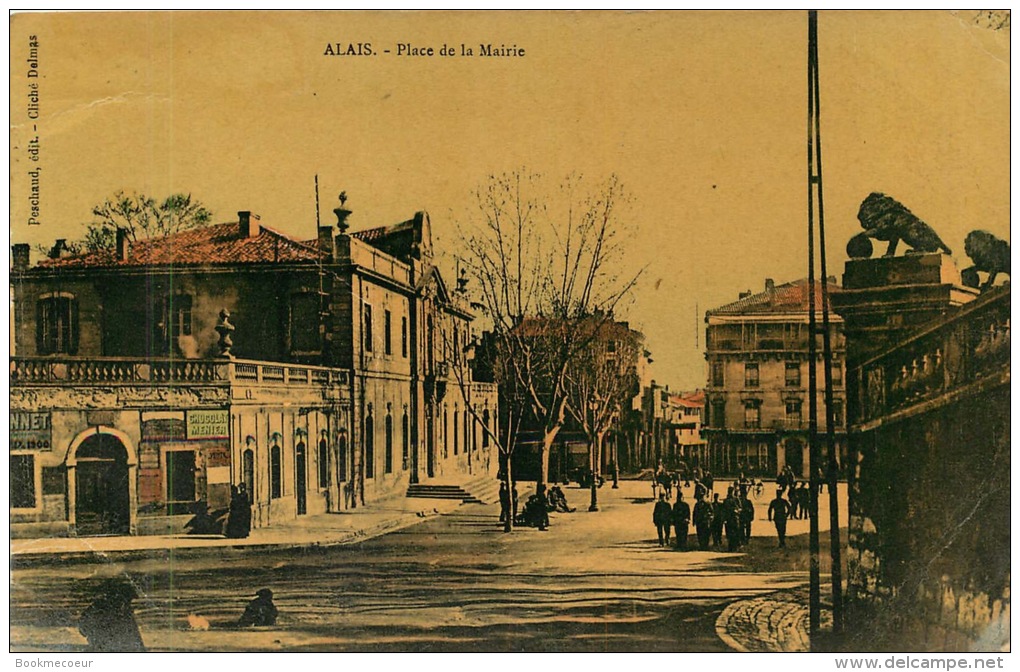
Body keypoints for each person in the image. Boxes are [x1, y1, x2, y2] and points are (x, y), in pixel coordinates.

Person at [78, 580, 146, 652]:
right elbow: (83, 627)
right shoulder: (102, 608)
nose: (128, 603)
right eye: (127, 600)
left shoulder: (123, 613)